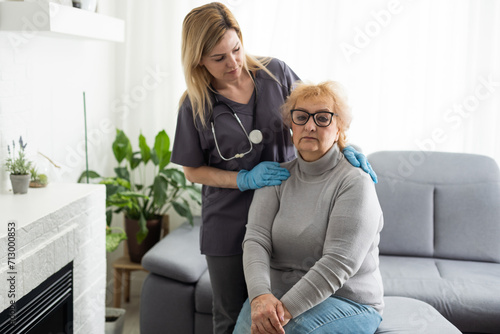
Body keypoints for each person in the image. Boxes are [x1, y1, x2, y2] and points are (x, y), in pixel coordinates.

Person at [171, 3, 377, 333]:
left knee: (274, 310)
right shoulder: (195, 104)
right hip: (228, 218)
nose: (233, 63)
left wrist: (347, 145)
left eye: (236, 49)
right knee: (230, 315)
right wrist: (243, 179)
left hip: (286, 208)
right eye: (218, 58)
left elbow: (315, 111)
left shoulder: (275, 73)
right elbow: (192, 171)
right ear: (198, 60)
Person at [234, 81, 384, 334]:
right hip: (277, 296)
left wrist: (281, 313)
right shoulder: (276, 177)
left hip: (348, 300)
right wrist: (260, 297)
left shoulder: (355, 182)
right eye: (301, 117)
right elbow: (256, 240)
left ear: (339, 128)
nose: (310, 126)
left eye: (323, 118)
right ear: (291, 125)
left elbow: (338, 262)